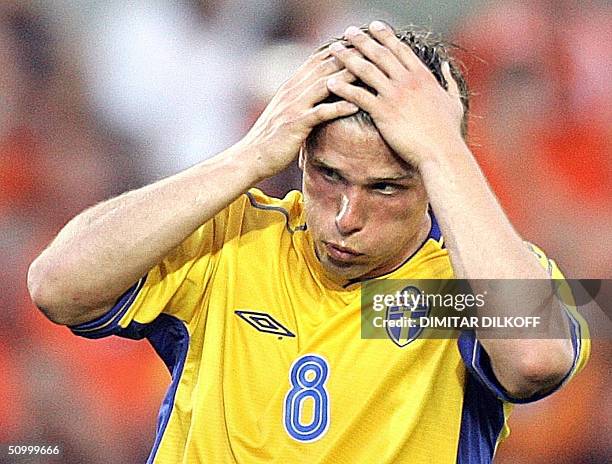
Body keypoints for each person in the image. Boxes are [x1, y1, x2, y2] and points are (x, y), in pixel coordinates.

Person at [27, 21, 589, 463]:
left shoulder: (460, 285)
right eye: (328, 175)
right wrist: (249, 154)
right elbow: (56, 285)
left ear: (432, 179)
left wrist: (444, 149)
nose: (347, 216)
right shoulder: (231, 239)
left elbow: (536, 359)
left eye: (386, 188)